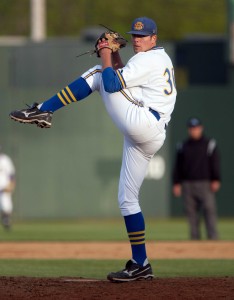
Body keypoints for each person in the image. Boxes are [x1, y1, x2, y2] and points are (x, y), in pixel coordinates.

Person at [10, 17, 177, 282]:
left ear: (154, 38)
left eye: (142, 36)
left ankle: (43, 110)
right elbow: (122, 81)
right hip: (151, 131)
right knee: (127, 199)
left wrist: (106, 53)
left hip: (144, 122)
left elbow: (110, 83)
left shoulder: (147, 60)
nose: (136, 39)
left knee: (99, 75)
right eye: (134, 35)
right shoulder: (159, 58)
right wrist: (115, 55)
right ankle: (141, 263)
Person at [172, 117, 221, 240]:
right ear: (189, 130)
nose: (194, 130)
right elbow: (177, 166)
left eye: (196, 128)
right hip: (188, 184)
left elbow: (215, 162)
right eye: (191, 128)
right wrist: (176, 183)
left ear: (201, 128)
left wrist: (216, 179)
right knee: (191, 214)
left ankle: (213, 239)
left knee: (209, 211)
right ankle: (195, 242)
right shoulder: (183, 146)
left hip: (205, 183)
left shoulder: (209, 144)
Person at [0, 146, 16, 230]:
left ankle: (6, 220)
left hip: (3, 188)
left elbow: (11, 174)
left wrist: (12, 185)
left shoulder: (5, 160)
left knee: (6, 206)